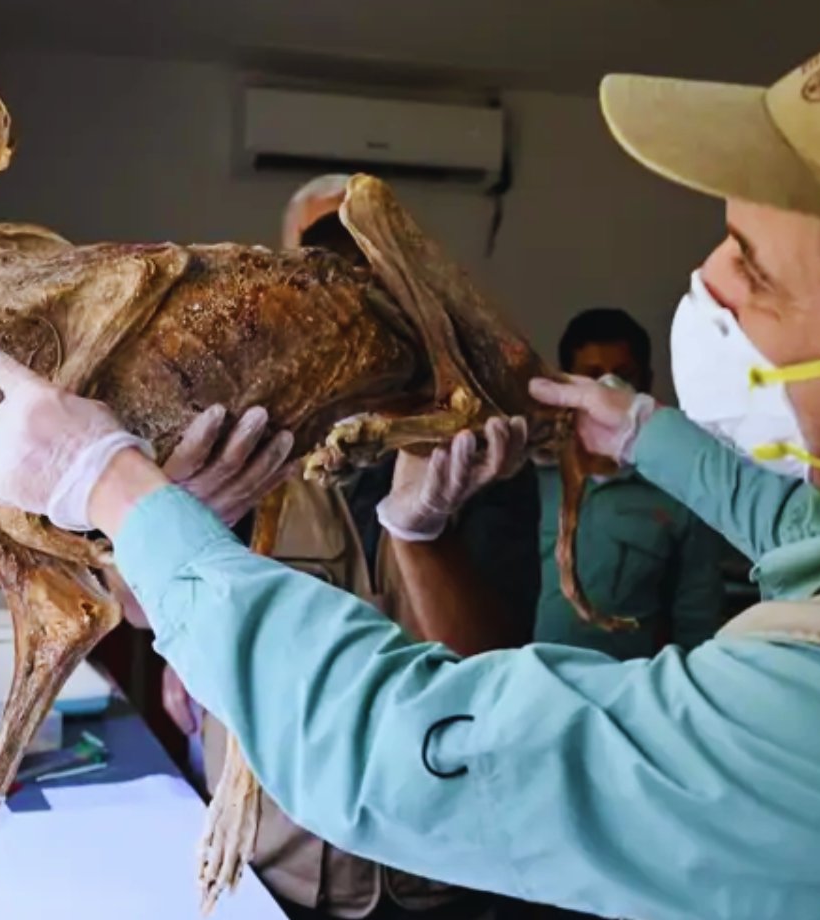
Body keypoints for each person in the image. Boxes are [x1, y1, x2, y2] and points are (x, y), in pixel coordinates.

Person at [0, 0, 820, 919]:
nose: (706, 279)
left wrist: (108, 482)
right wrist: (642, 428)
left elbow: (400, 753)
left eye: (757, 268)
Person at [113, 174, 539, 920]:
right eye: (320, 269)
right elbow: (134, 608)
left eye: (367, 267)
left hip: (442, 881)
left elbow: (491, 680)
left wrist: (420, 530)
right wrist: (182, 517)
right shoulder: (237, 438)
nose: (347, 294)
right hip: (271, 877)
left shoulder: (475, 451)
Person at [534, 309, 723, 657]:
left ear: (646, 382)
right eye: (591, 376)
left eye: (623, 375)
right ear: (566, 386)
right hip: (526, 687)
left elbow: (698, 621)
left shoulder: (680, 491)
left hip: (624, 693)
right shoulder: (528, 480)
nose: (606, 388)